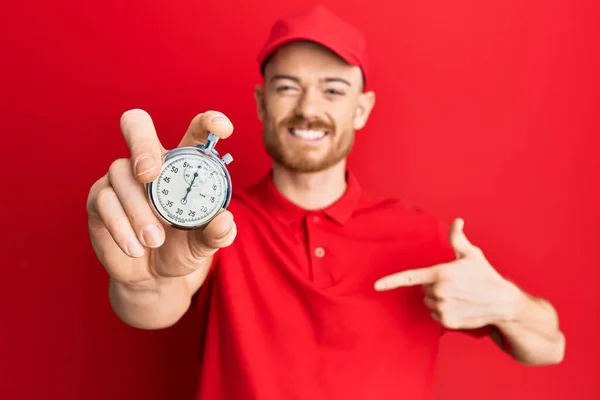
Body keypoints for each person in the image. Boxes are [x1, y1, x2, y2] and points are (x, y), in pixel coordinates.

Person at [86, 5, 565, 400]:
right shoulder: (213, 226)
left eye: (332, 90)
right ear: (260, 103)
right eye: (287, 87)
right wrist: (145, 283)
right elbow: (153, 306)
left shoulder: (421, 235)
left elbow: (551, 345)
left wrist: (508, 304)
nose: (308, 108)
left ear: (361, 109)